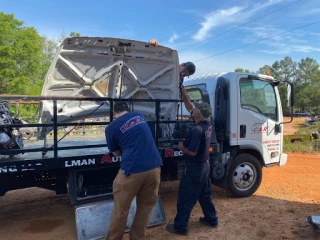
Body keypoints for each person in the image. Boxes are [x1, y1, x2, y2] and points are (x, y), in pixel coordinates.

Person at [105, 101, 162, 240]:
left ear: (114, 113)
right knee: (145, 207)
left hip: (132, 170)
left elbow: (116, 153)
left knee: (121, 210)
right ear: (128, 110)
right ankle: (137, 237)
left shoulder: (111, 127)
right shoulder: (139, 115)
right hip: (154, 167)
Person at [166, 85, 218, 236]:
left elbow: (193, 152)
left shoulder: (197, 131)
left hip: (194, 168)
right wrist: (184, 95)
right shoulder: (207, 124)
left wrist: (182, 147)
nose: (193, 109)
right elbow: (191, 107)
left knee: (186, 197)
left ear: (198, 114)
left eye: (196, 109)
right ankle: (212, 218)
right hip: (205, 166)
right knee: (205, 194)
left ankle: (180, 226)